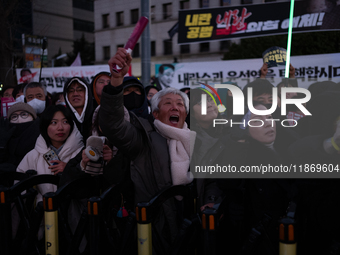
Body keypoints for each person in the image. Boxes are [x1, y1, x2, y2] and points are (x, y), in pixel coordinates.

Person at [99, 48, 194, 254]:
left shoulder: (197, 141)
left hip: (192, 225)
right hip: (154, 228)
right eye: (168, 104)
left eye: (180, 104)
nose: (175, 108)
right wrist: (116, 80)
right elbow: (113, 124)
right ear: (156, 113)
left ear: (186, 113)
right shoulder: (143, 138)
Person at [16, 105, 83, 203]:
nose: (60, 128)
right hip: (41, 215)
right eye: (54, 123)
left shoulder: (82, 153)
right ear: (44, 126)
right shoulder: (32, 156)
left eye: (65, 122)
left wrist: (70, 170)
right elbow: (20, 194)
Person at [0, 103, 39, 173]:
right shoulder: (7, 137)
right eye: (14, 116)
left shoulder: (42, 136)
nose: (19, 119)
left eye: (24, 114)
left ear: (33, 117)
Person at [63, 77, 94, 141]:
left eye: (80, 90)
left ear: (87, 93)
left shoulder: (97, 115)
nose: (75, 94)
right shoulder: (62, 118)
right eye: (71, 91)